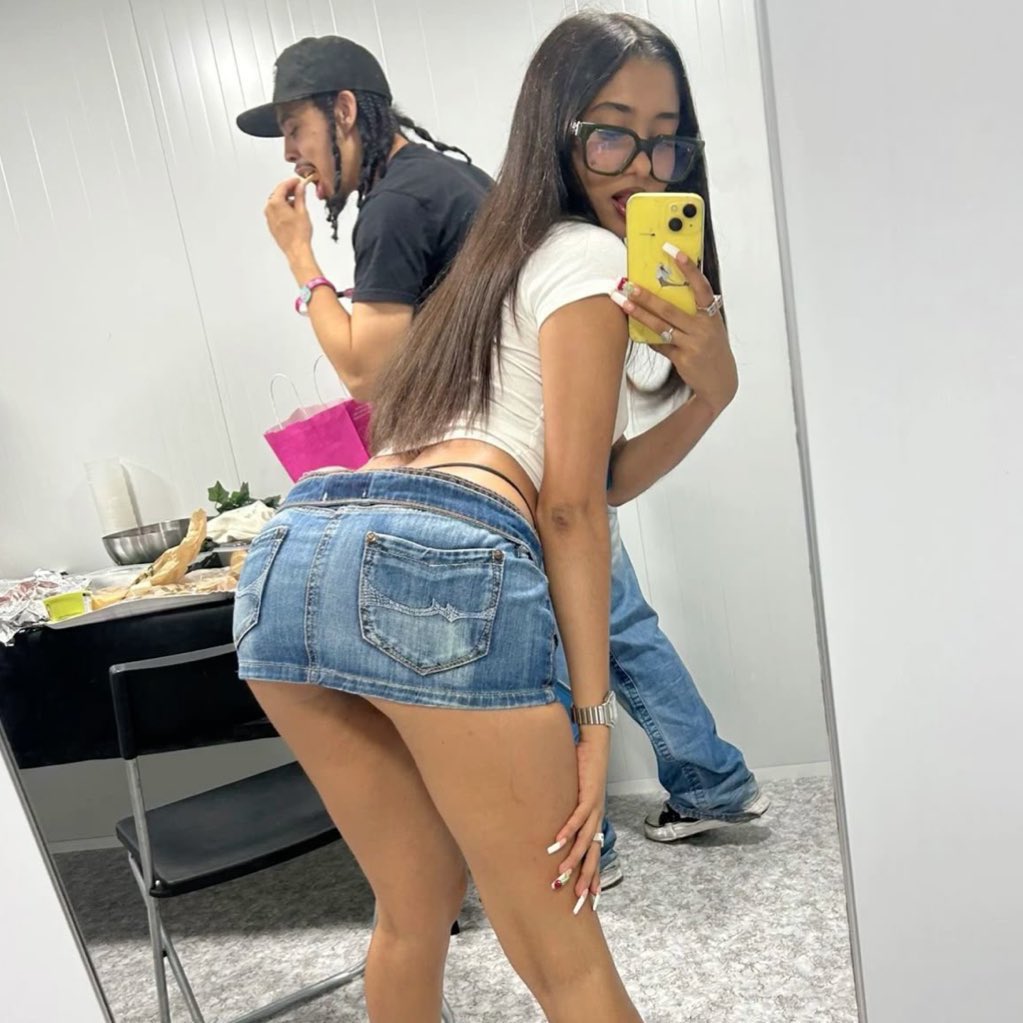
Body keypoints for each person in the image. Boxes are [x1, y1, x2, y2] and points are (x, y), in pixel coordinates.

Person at [236, 35, 492, 401]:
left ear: (344, 111)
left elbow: (367, 378)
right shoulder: (449, 176)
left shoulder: (395, 206)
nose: (288, 153)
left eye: (294, 130)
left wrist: (297, 252)